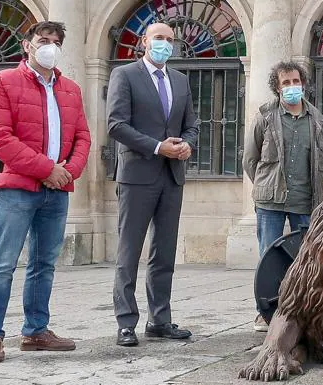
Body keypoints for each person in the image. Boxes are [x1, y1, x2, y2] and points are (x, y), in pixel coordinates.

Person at [0, 21, 91, 363]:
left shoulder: (70, 89)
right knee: (2, 263)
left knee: (44, 264)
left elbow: (83, 138)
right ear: (27, 45)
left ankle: (35, 331)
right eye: (44, 40)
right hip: (17, 189)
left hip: (56, 192)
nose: (50, 46)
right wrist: (47, 169)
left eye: (57, 42)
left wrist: (67, 172)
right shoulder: (2, 82)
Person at [107, 22, 198, 346]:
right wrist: (158, 146)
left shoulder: (180, 81)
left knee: (164, 253)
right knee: (129, 252)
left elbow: (191, 125)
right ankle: (126, 322)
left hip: (172, 176)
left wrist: (187, 144)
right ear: (145, 42)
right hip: (137, 175)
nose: (164, 44)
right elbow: (116, 124)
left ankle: (160, 319)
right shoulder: (125, 75)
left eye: (170, 40)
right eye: (159, 38)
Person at [243, 61, 323, 332]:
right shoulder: (265, 118)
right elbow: (250, 159)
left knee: (306, 258)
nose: (292, 87)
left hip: (305, 199)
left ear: (303, 84)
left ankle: (303, 309)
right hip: (270, 201)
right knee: (268, 255)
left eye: (295, 81)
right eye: (286, 83)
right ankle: (264, 312)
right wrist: (265, 186)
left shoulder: (318, 121)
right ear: (277, 88)